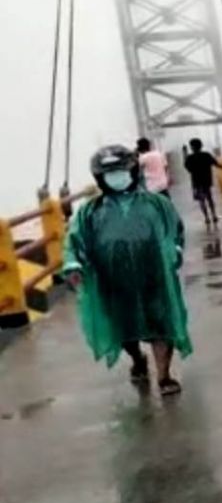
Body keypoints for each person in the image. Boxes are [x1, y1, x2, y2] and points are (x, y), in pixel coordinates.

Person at [64, 145, 192, 395]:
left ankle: (164, 376)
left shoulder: (157, 203)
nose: (117, 178)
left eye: (121, 171)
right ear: (100, 178)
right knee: (124, 328)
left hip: (154, 275)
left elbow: (175, 230)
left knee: (160, 324)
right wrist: (73, 264)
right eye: (110, 174)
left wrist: (174, 251)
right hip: (113, 279)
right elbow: (74, 240)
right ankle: (136, 358)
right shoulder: (90, 212)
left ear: (133, 171)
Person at [184, 139, 222, 226]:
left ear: (192, 147)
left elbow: (188, 168)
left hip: (196, 182)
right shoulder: (206, 155)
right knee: (209, 198)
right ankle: (214, 215)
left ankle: (206, 218)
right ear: (201, 146)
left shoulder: (190, 158)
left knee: (201, 200)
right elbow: (216, 164)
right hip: (206, 181)